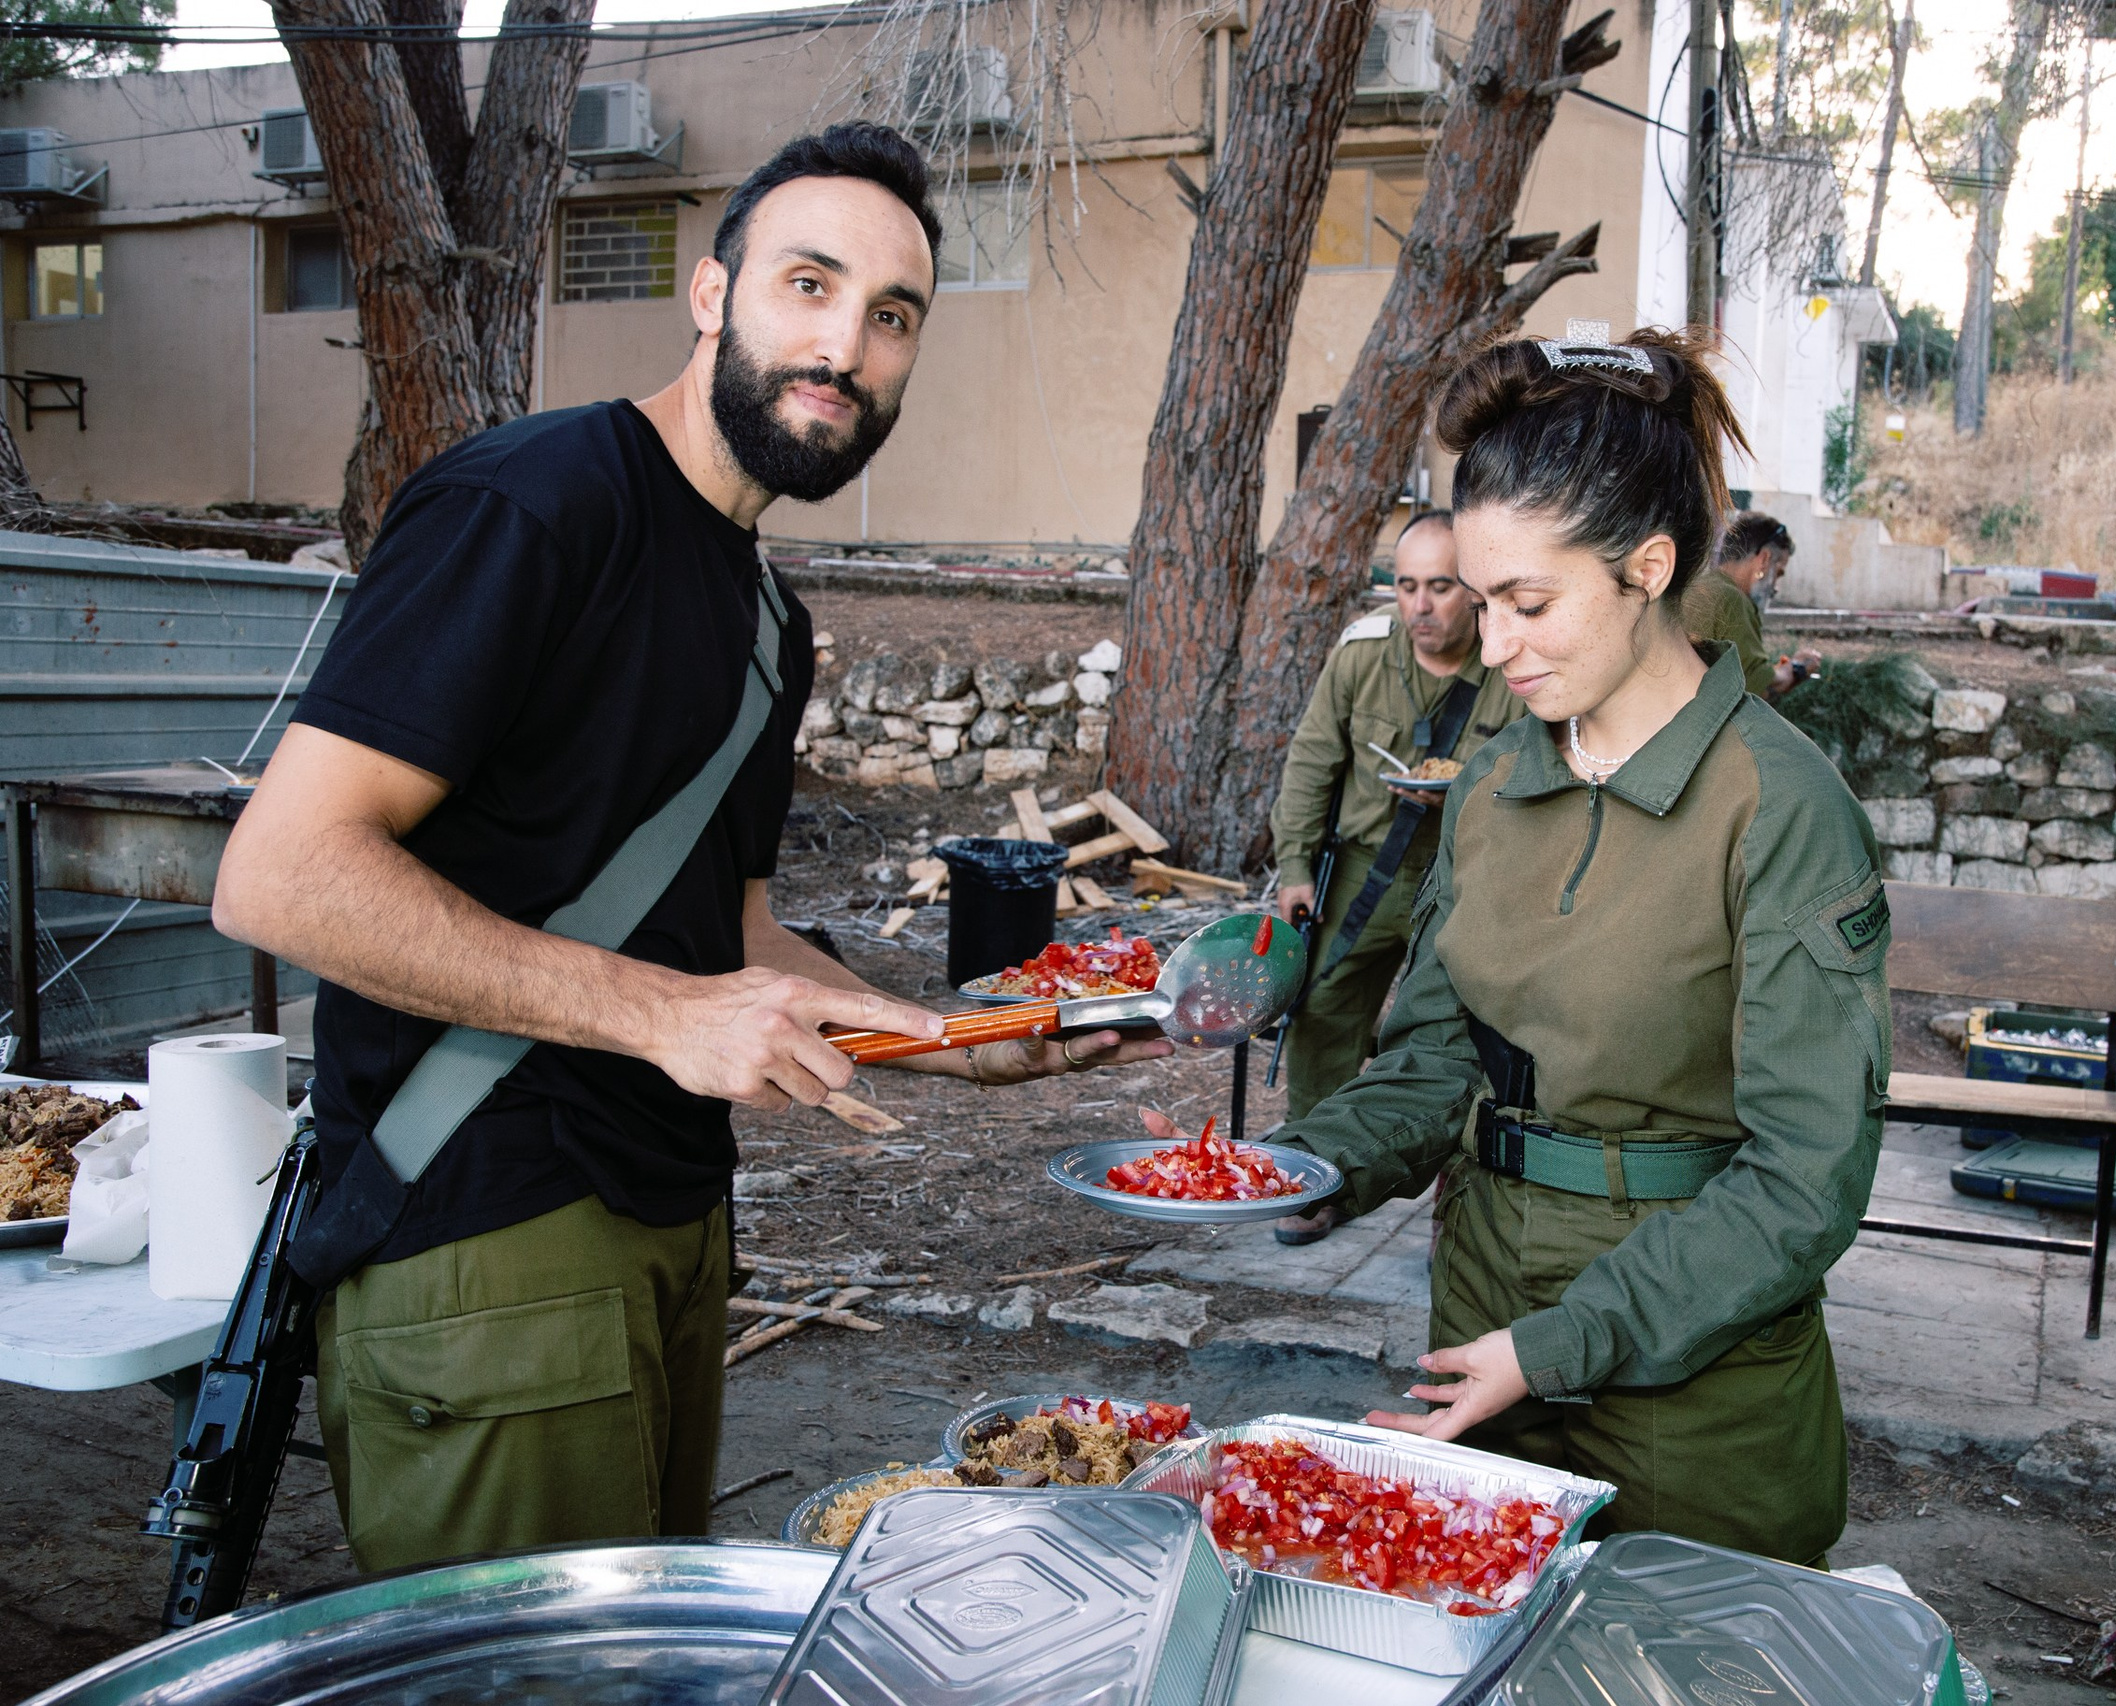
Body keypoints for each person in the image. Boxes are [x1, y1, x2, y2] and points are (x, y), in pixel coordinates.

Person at [209, 123, 1166, 1572]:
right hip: (485, 1227)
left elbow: (728, 929)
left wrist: (962, 1038)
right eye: (808, 284)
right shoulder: (533, 505)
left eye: (891, 315)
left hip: (671, 1222)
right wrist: (667, 1017)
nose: (845, 344)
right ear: (713, 295)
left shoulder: (772, 622)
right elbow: (280, 873)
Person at [1270, 328, 1891, 1565]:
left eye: (1527, 602)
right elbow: (1440, 1054)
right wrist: (1297, 1162)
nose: (1491, 645)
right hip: (1480, 1305)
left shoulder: (1778, 809)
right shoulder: (1495, 787)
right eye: (1478, 598)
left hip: (1695, 1370)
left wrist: (1554, 1348)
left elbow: (1801, 1177)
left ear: (1648, 566)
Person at [1265, 511, 1523, 1245]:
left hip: (1470, 877)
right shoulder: (1362, 657)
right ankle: (1315, 1180)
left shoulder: (1511, 663)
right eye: (1406, 586)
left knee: (1469, 1034)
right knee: (1322, 1010)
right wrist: (1293, 867)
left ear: (1473, 591)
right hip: (1363, 873)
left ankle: (1456, 1199)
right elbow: (1311, 765)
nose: (1420, 606)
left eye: (1440, 587)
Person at [1680, 511, 1821, 697]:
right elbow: (1757, 687)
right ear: (1764, 560)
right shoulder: (1731, 598)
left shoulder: (1697, 585)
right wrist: (1796, 668)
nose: (1775, 588)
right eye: (1778, 573)